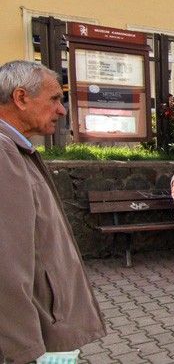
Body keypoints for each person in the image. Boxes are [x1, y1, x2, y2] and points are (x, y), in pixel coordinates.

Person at [0, 60, 106, 363]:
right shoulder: (3, 151)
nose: (61, 110)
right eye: (55, 99)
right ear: (21, 98)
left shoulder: (15, 148)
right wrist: (24, 350)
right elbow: (6, 264)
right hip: (28, 340)